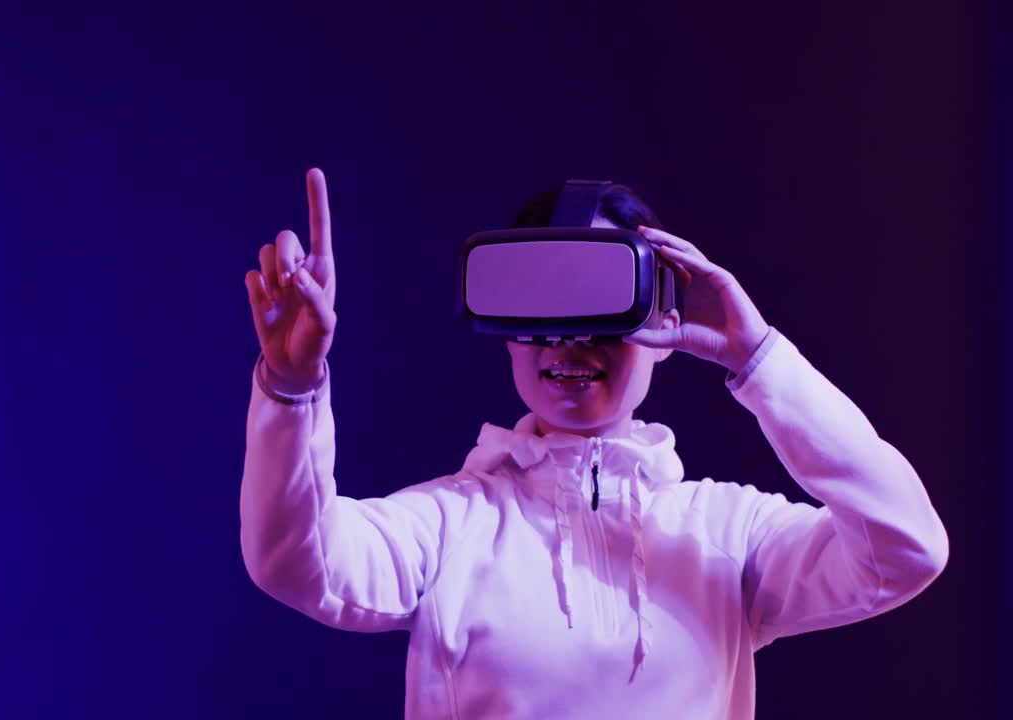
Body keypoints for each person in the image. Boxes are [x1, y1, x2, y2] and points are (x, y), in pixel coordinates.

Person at [240, 168, 948, 719]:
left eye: (602, 302)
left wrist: (756, 356)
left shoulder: (729, 536)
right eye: (541, 307)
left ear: (660, 318)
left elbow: (906, 547)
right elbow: (297, 562)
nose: (570, 339)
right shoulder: (451, 527)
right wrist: (291, 386)